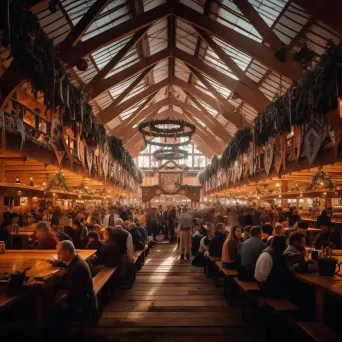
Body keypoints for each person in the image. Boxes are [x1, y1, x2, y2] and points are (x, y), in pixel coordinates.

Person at [50, 241, 98, 337]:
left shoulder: (78, 268)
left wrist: (61, 302)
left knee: (51, 312)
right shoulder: (77, 261)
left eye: (59, 253)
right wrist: (61, 263)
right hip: (85, 298)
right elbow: (70, 268)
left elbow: (77, 295)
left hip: (83, 305)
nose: (58, 256)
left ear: (67, 251)